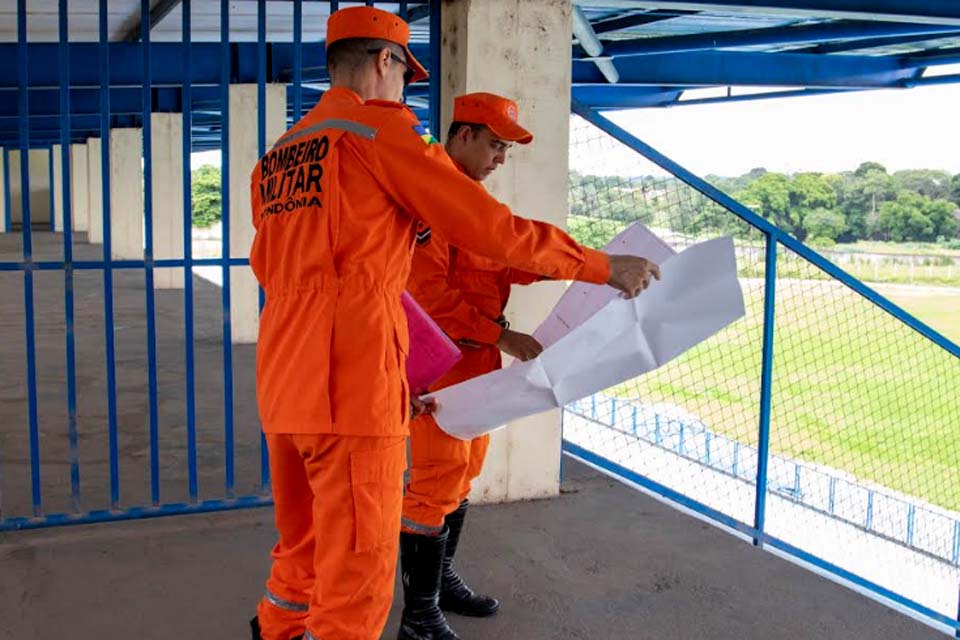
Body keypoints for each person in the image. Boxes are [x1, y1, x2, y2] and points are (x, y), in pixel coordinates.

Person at [247, 7, 660, 640]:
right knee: (356, 574)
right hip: (349, 383)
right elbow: (491, 232)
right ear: (384, 61)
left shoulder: (280, 156)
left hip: (283, 376)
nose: (405, 90)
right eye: (403, 74)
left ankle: (275, 630)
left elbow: (271, 266)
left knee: (299, 550)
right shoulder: (379, 134)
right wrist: (600, 266)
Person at [398, 92, 552, 640]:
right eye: (494, 145)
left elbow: (509, 258)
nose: (500, 159)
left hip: (479, 371)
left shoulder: (477, 209)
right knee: (432, 487)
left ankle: (438, 585)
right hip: (440, 370)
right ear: (462, 135)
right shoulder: (430, 208)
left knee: (461, 479)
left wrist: (580, 269)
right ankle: (418, 617)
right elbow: (431, 296)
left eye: (507, 150)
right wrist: (503, 335)